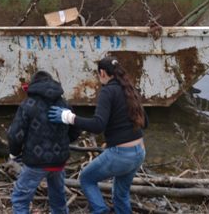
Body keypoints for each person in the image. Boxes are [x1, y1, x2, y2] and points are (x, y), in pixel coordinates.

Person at [49, 57, 147, 214]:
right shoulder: (130, 89)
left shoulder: (107, 91)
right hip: (139, 152)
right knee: (121, 195)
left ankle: (100, 210)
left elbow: (97, 125)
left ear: (102, 73)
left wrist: (69, 117)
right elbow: (145, 122)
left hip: (120, 154)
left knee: (86, 178)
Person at [8, 71, 80, 214]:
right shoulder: (64, 103)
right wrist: (62, 144)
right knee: (58, 197)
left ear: (33, 84)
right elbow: (75, 130)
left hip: (35, 162)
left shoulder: (28, 104)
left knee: (20, 198)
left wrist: (14, 153)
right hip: (59, 162)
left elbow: (15, 134)